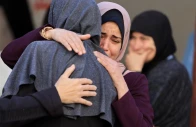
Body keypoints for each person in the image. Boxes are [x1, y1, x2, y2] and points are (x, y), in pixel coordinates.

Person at [1, 1, 154, 127]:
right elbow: (9, 56)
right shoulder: (41, 54)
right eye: (101, 35)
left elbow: (7, 116)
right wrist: (50, 32)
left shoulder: (129, 80)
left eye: (115, 40)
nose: (105, 45)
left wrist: (120, 82)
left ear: (123, 44)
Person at [125, 10, 192, 127]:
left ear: (159, 40)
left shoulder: (170, 72)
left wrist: (134, 73)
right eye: (133, 37)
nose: (136, 46)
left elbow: (134, 117)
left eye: (143, 39)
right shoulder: (152, 67)